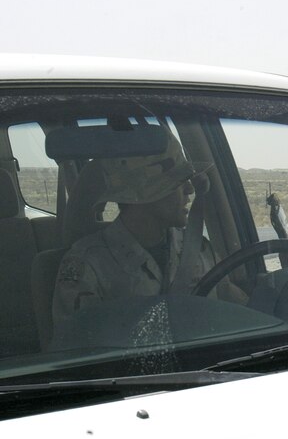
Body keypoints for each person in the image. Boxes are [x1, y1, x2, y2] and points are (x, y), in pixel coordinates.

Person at [52, 132, 242, 331]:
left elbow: (236, 307)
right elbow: (80, 350)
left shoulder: (199, 248)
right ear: (143, 194)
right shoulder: (87, 265)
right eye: (177, 181)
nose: (189, 189)